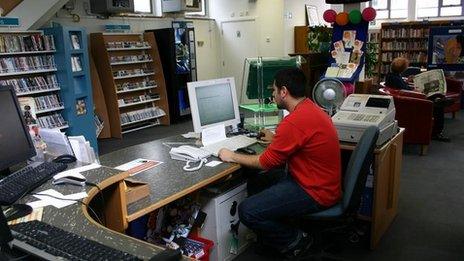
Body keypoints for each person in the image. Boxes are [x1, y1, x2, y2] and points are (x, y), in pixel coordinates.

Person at [218, 68, 341, 259]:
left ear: (284, 91)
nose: (273, 94)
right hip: (322, 183)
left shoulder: (293, 122)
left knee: (247, 210)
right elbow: (301, 140)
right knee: (257, 183)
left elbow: (265, 162)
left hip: (314, 192)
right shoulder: (310, 108)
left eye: (274, 90)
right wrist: (277, 138)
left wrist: (231, 155)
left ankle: (296, 240)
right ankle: (269, 233)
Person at [385, 57, 451, 142]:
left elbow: (402, 87)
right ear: (403, 68)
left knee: (436, 98)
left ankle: (440, 100)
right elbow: (406, 90)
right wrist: (417, 91)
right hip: (414, 101)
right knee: (438, 106)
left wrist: (407, 82)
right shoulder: (396, 78)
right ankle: (436, 133)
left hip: (410, 99)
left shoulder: (392, 76)